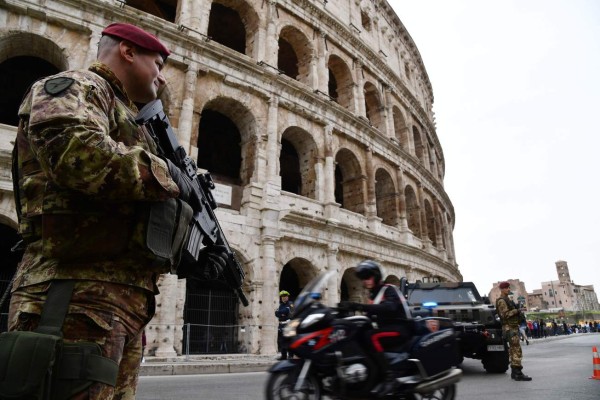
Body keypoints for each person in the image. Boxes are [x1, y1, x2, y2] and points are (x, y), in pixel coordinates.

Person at [8, 22, 226, 399]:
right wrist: (169, 175)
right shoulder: (76, 86)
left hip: (120, 307)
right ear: (128, 51)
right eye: (157, 63)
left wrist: (190, 255)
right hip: (71, 296)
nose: (160, 76)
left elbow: (137, 216)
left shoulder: (135, 123)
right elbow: (78, 155)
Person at [339, 260, 412, 397]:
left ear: (377, 276)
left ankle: (390, 377)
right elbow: (369, 315)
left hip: (400, 328)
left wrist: (359, 306)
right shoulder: (373, 294)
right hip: (388, 328)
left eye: (368, 277)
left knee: (371, 336)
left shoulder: (389, 289)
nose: (365, 281)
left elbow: (390, 308)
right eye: (363, 278)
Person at [496, 281, 532, 381]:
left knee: (513, 350)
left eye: (509, 288)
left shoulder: (507, 300)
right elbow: (504, 314)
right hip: (509, 328)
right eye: (507, 288)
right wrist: (517, 311)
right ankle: (518, 373)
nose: (508, 289)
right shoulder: (502, 301)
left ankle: (515, 373)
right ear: (502, 289)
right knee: (516, 350)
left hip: (512, 327)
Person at [275, 290, 294, 360]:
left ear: (288, 297)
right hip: (281, 325)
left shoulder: (291, 304)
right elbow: (276, 313)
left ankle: (291, 356)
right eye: (282, 296)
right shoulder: (281, 305)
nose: (284, 298)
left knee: (289, 341)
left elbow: (290, 313)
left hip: (289, 325)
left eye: (285, 296)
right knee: (282, 341)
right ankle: (283, 356)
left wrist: (282, 313)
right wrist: (282, 312)